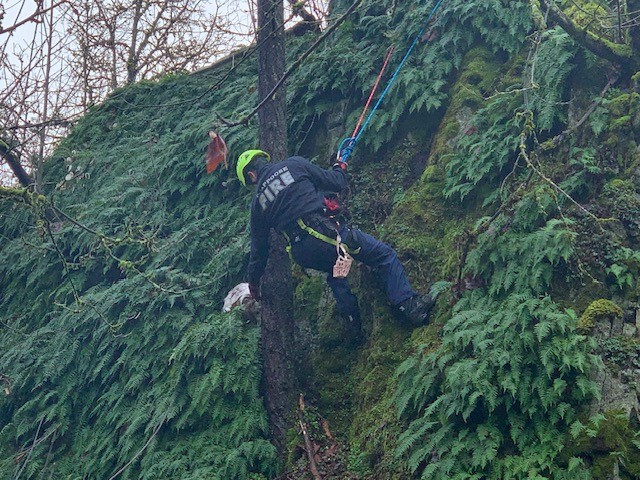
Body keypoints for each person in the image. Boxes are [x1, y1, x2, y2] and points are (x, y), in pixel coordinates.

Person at [237, 149, 435, 335]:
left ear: (252, 176)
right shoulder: (294, 165)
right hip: (325, 233)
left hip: (302, 252)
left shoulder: (257, 204)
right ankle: (407, 304)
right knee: (384, 255)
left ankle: (353, 327)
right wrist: (339, 167)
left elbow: (259, 249)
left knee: (336, 271)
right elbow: (336, 182)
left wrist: (253, 280)